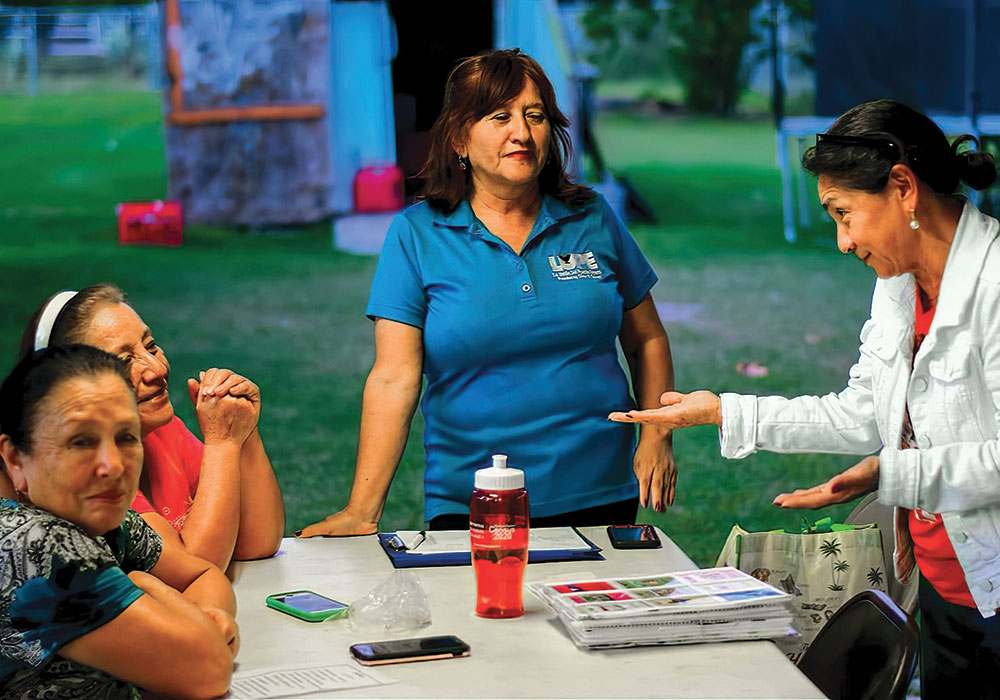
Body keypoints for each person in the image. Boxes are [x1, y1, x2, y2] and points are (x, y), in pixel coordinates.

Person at [611, 99, 1000, 698]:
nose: (843, 242)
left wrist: (890, 471)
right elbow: (861, 411)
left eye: (845, 214)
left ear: (903, 186)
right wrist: (723, 410)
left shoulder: (993, 283)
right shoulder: (898, 282)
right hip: (944, 581)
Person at [300, 49, 676, 536]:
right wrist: (361, 511)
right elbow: (394, 376)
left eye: (535, 116)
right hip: (471, 497)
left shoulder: (593, 217)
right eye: (500, 117)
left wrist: (656, 433)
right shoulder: (417, 234)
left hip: (600, 489)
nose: (521, 132)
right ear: (459, 137)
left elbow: (647, 338)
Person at [0, 344, 238, 699]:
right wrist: (149, 585)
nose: (112, 466)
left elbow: (202, 574)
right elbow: (209, 671)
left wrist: (202, 619)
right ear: (15, 460)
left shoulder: (111, 522)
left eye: (126, 437)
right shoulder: (35, 543)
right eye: (81, 442)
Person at [5, 283, 284, 570]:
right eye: (124, 360)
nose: (158, 369)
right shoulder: (98, 471)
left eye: (150, 346)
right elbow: (195, 570)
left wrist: (243, 431)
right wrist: (222, 442)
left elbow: (258, 543)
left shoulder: (165, 434)